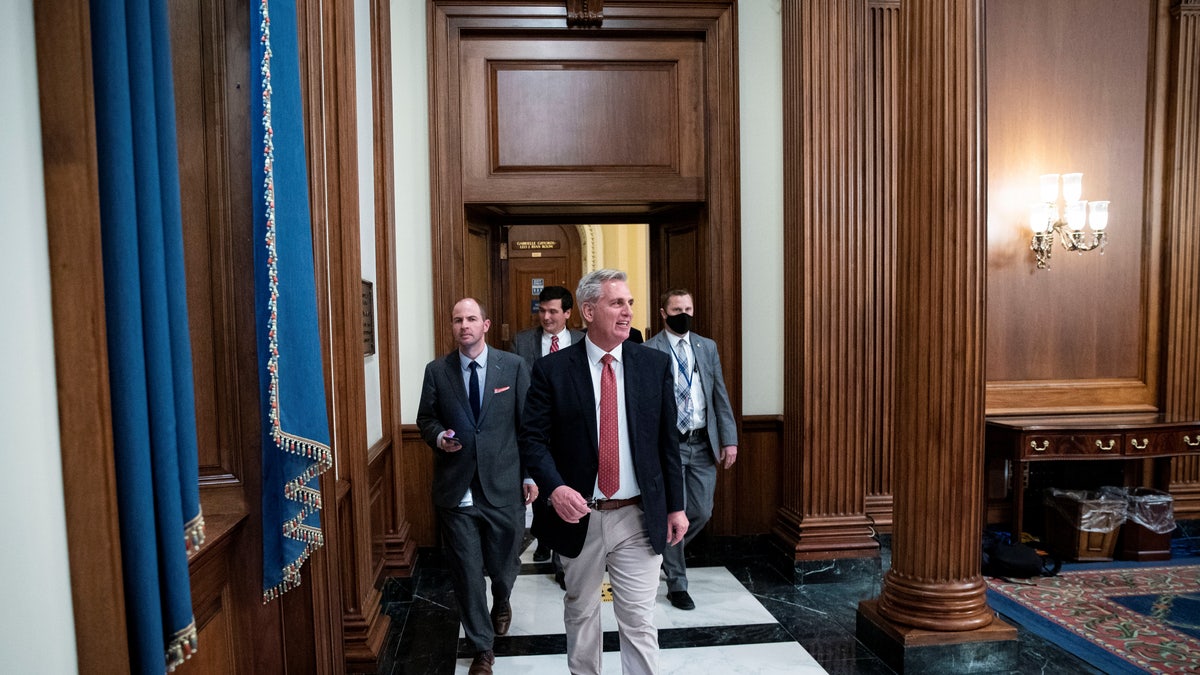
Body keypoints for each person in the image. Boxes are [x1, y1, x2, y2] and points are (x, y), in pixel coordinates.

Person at [520, 268, 688, 675]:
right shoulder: (553, 371)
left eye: (629, 302)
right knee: (581, 614)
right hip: (581, 515)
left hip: (637, 512)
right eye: (617, 302)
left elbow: (668, 442)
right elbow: (533, 440)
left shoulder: (653, 365)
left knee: (639, 619)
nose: (627, 311)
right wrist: (555, 488)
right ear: (589, 310)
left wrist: (676, 507)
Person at [417, 298, 536, 675]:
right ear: (451, 327)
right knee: (467, 572)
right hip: (457, 490)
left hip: (503, 485)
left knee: (503, 567)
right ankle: (482, 649)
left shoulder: (513, 367)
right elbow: (426, 418)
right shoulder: (437, 371)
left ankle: (502, 599)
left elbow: (528, 427)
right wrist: (439, 439)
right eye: (457, 320)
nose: (463, 325)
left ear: (485, 324)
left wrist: (530, 474)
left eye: (471, 319)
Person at [644, 289, 739, 611]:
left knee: (700, 511)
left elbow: (718, 395)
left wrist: (730, 439)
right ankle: (677, 583)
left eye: (688, 308)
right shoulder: (648, 350)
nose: (682, 313)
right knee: (675, 511)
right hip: (668, 447)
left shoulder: (706, 346)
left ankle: (663, 550)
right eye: (676, 309)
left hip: (701, 441)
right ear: (663, 313)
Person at [511, 285, 585, 577]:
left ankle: (560, 559)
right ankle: (545, 537)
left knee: (565, 488)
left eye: (553, 311)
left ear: (568, 313)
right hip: (537, 427)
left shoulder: (582, 340)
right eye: (541, 310)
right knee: (540, 489)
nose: (546, 317)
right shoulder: (523, 342)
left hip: (572, 429)